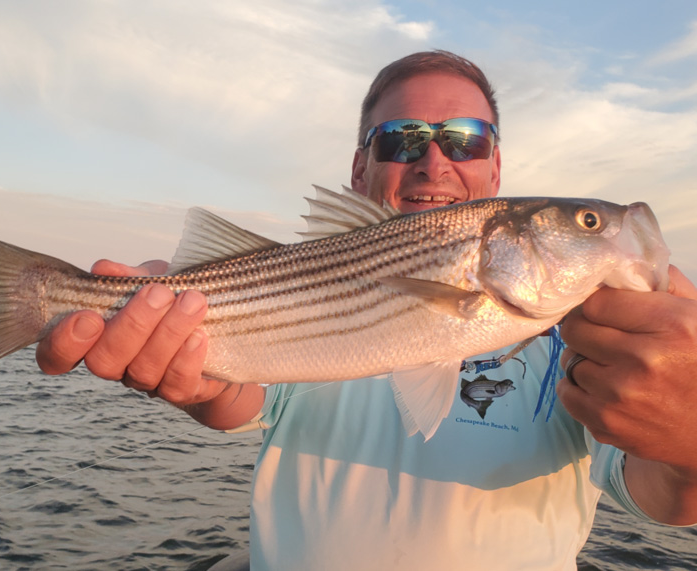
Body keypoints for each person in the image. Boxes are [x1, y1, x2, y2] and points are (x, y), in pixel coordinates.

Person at [36, 51, 697, 569]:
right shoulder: (310, 281)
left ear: (496, 172)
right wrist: (183, 360)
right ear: (361, 168)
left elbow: (663, 495)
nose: (433, 162)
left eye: (464, 140)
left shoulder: (589, 345)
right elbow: (233, 396)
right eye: (402, 139)